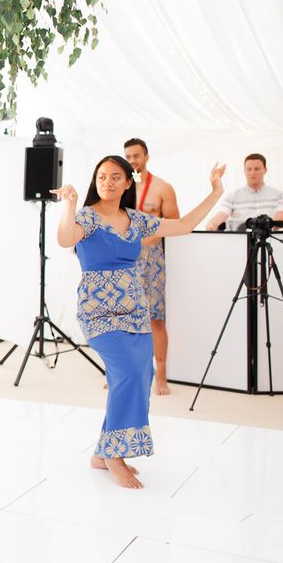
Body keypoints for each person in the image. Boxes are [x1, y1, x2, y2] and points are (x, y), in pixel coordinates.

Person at [53, 156, 225, 489]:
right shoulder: (87, 216)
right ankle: (115, 456)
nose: (108, 182)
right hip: (98, 311)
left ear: (128, 183)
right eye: (102, 176)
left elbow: (184, 225)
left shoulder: (137, 220)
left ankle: (101, 453)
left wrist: (215, 190)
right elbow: (64, 239)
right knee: (127, 373)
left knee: (139, 375)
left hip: (135, 311)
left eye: (116, 177)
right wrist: (70, 205)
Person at [123, 138, 179, 395]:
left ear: (146, 156)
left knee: (155, 318)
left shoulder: (162, 187)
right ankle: (122, 373)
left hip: (152, 258)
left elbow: (174, 221)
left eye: (136, 156)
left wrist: (151, 237)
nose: (133, 160)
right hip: (124, 259)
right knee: (122, 317)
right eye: (129, 156)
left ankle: (161, 377)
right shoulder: (120, 186)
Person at [205, 153, 283, 231]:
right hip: (241, 242)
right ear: (244, 170)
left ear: (265, 170)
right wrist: (212, 226)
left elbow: (281, 218)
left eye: (257, 169)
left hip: (269, 240)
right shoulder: (232, 196)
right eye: (249, 169)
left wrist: (270, 224)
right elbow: (221, 215)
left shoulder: (279, 195)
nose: (252, 172)